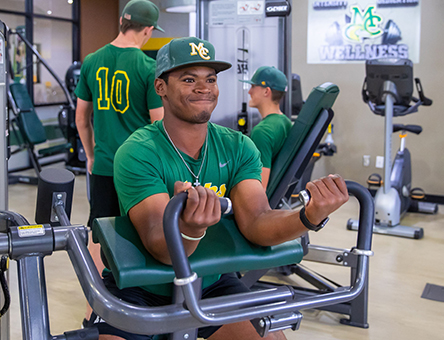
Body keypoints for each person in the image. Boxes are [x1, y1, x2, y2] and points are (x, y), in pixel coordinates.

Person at [93, 37, 349, 340]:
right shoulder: (137, 151)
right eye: (189, 79)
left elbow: (257, 222)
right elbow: (160, 246)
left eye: (210, 79)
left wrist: (308, 216)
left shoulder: (238, 146)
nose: (204, 88)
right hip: (142, 289)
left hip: (210, 283)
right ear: (160, 87)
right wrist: (191, 227)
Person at [74, 0, 164, 325]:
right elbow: (160, 125)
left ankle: (95, 307)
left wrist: (91, 155)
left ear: (122, 22)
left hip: (103, 166)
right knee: (143, 231)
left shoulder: (92, 61)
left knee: (99, 232)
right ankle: (141, 300)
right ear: (147, 30)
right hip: (140, 170)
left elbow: (81, 117)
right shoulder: (148, 66)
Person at [241, 66, 292, 189]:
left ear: (266, 91)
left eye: (253, 86)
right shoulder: (285, 122)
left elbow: (260, 188)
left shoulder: (262, 131)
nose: (249, 92)